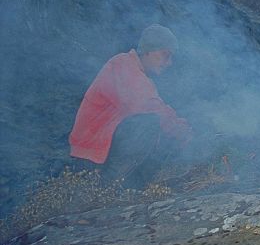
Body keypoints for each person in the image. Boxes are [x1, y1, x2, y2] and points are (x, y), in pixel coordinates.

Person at [69, 24, 192, 188]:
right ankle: (111, 187)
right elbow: (149, 107)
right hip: (91, 158)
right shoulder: (122, 65)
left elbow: (157, 108)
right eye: (165, 55)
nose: (169, 63)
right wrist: (183, 133)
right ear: (148, 50)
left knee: (158, 129)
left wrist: (181, 131)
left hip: (103, 151)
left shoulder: (139, 75)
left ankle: (131, 186)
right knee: (147, 124)